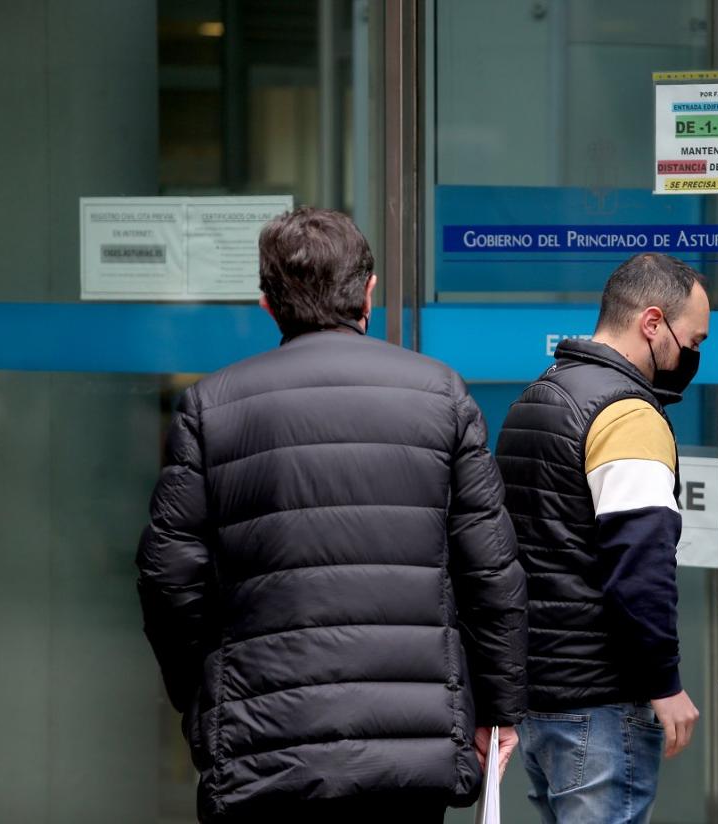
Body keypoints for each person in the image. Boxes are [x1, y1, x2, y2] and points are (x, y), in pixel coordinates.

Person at [135, 207, 527, 823]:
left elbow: (168, 579)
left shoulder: (210, 408)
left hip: (263, 744)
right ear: (369, 291)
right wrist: (499, 709)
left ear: (266, 303)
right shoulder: (440, 394)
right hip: (410, 745)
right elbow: (492, 574)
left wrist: (209, 696)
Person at [495, 252, 709, 824]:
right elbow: (639, 562)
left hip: (540, 695)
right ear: (652, 323)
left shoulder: (537, 398)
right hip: (603, 702)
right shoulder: (627, 414)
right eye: (692, 340)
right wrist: (663, 683)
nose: (694, 357)